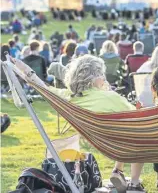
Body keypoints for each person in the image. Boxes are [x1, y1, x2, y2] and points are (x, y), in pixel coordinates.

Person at [11, 55, 145, 193]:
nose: (104, 78)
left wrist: (23, 68)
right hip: (123, 143)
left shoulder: (67, 97)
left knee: (131, 134)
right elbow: (137, 116)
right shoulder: (112, 98)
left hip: (99, 141)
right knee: (141, 131)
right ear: (95, 77)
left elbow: (41, 85)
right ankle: (134, 183)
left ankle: (118, 170)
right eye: (102, 74)